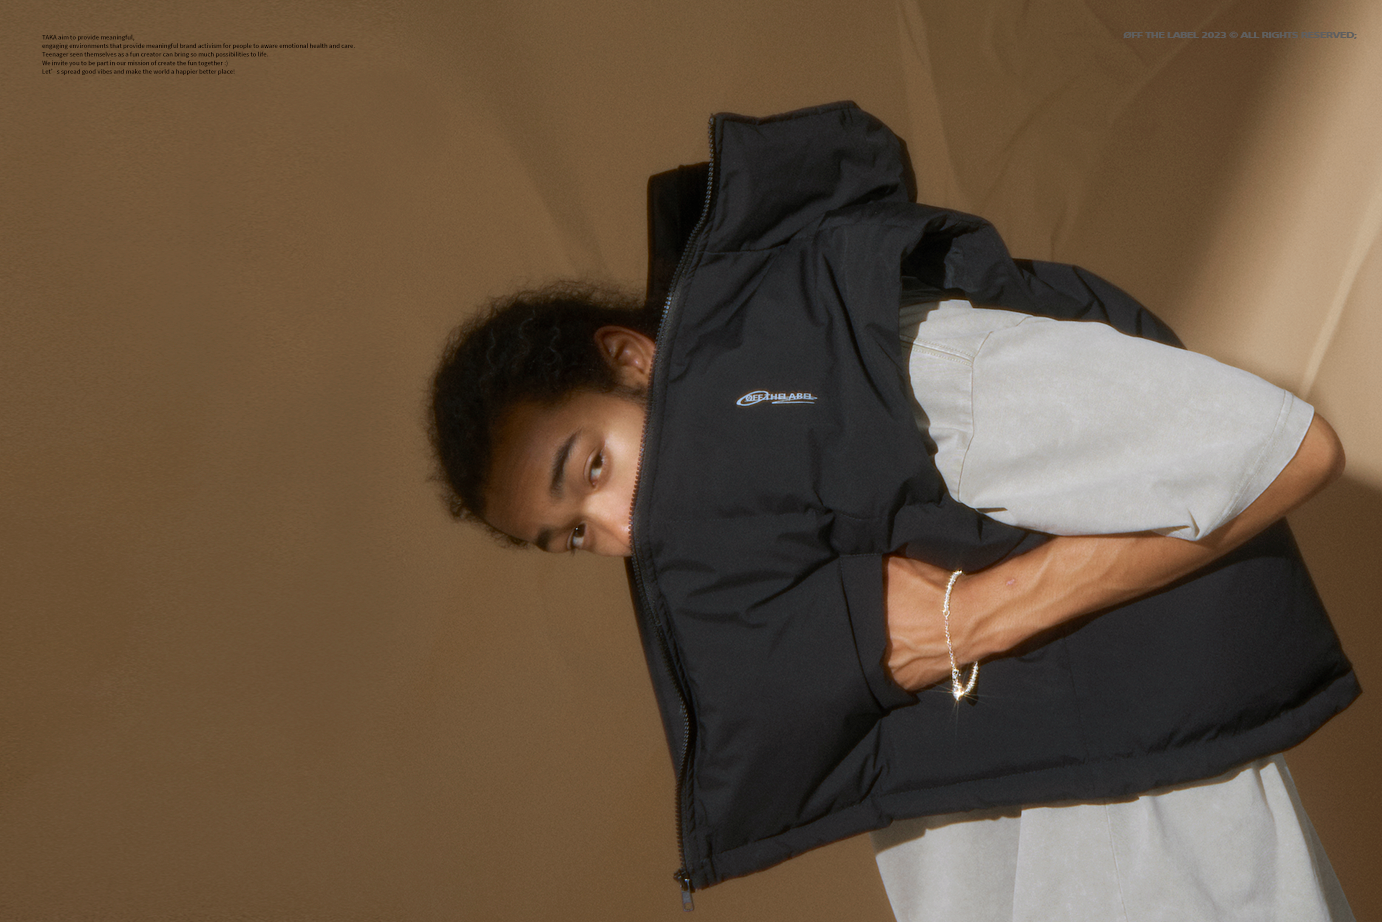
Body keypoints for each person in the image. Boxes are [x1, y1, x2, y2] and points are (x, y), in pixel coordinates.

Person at [429, 103, 1356, 919]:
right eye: (574, 535)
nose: (620, 529)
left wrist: (976, 616)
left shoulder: (875, 368)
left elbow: (1280, 452)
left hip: (1170, 865)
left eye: (592, 467)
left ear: (632, 361)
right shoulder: (760, 571)